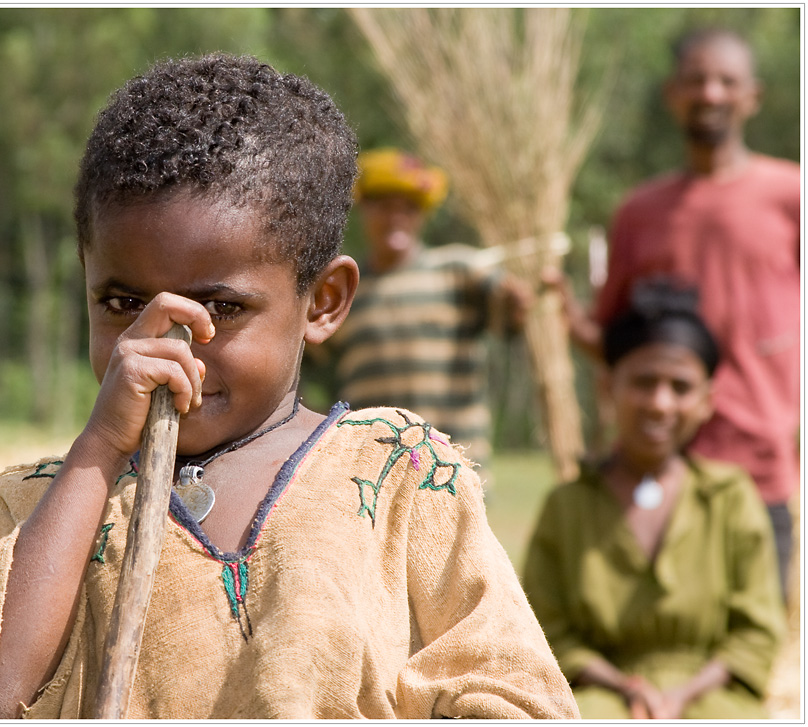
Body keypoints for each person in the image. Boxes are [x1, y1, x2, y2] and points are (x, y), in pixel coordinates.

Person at [0, 54, 578, 720]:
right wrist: (98, 449)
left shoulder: (400, 479)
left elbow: (517, 696)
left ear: (324, 301)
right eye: (123, 304)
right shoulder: (45, 501)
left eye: (221, 307)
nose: (165, 346)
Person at [554, 27, 800, 595]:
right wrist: (562, 318)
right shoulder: (639, 212)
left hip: (756, 466)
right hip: (657, 467)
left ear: (751, 97)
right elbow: (614, 343)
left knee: (750, 647)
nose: (710, 93)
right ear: (673, 94)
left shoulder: (792, 196)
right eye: (696, 80)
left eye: (726, 81)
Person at [523, 280, 787, 720]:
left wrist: (683, 696)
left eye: (680, 387)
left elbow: (756, 633)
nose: (661, 404)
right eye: (644, 382)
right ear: (608, 387)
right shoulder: (567, 505)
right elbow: (543, 628)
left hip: (712, 697)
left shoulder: (730, 498)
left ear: (707, 401)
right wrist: (622, 686)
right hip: (596, 697)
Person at [326, 148, 532, 480]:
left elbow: (511, 317)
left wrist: (517, 300)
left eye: (408, 208)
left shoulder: (460, 271)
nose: (395, 218)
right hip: (371, 474)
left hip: (453, 471)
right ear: (363, 209)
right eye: (383, 206)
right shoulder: (343, 286)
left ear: (422, 214)